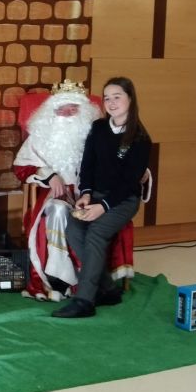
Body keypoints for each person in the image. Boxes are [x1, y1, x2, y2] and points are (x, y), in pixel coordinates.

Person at [52, 77, 151, 318]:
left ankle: (85, 301)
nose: (111, 102)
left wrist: (103, 207)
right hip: (95, 196)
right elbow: (88, 165)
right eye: (107, 98)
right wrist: (86, 194)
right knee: (74, 229)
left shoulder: (140, 138)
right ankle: (108, 289)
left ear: (130, 99)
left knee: (95, 233)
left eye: (117, 97)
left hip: (123, 200)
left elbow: (129, 183)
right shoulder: (98, 128)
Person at [13, 80, 101, 301]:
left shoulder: (95, 138)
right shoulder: (39, 137)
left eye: (74, 108)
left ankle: (83, 279)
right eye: (62, 108)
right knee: (59, 210)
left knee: (85, 214)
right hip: (51, 195)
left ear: (84, 112)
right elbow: (21, 167)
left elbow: (113, 164)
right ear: (51, 111)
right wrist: (49, 175)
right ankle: (56, 278)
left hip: (89, 194)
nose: (68, 113)